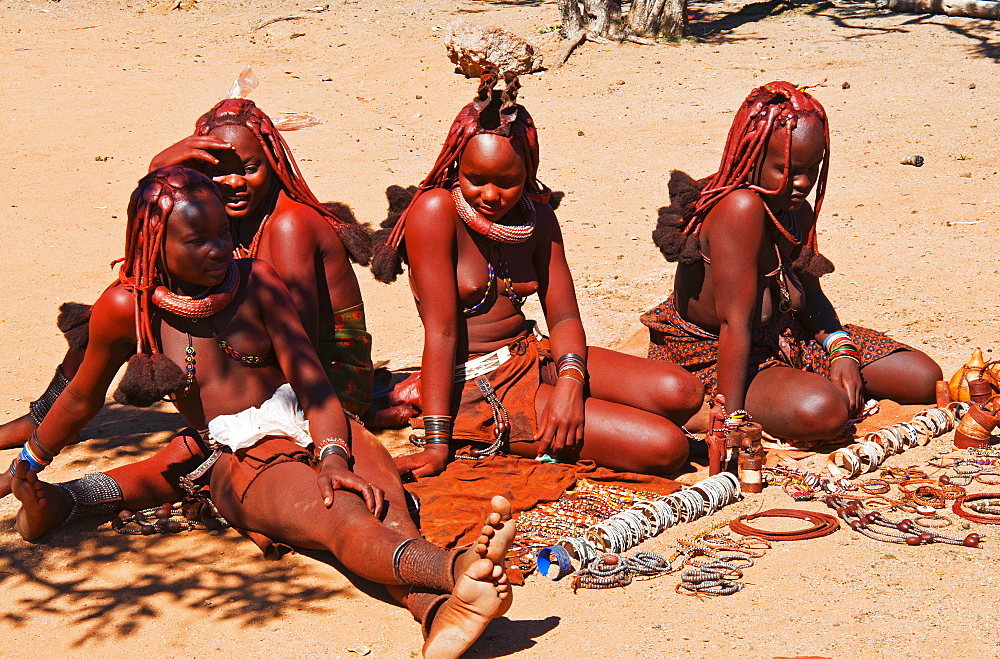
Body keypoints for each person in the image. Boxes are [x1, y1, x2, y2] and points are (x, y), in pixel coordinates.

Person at [9, 167, 515, 658]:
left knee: (388, 508)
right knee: (341, 518)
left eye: (223, 233)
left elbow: (312, 382)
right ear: (154, 245)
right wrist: (27, 465)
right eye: (197, 240)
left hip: (319, 423)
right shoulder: (128, 308)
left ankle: (436, 611)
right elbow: (80, 398)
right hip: (240, 458)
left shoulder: (257, 279)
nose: (219, 249)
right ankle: (457, 569)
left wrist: (335, 455)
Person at [0, 98, 381, 500]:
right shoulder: (227, 220)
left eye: (250, 169)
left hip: (321, 387)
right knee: (127, 303)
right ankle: (45, 423)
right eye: (218, 174)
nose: (235, 182)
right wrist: (159, 168)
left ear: (273, 164)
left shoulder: (287, 225)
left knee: (185, 452)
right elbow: (159, 217)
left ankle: (66, 493)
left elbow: (295, 355)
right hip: (269, 381)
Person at [370, 68, 704, 479]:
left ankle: (564, 407)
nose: (489, 195)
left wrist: (568, 385)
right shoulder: (435, 213)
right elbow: (441, 333)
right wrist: (439, 443)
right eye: (475, 179)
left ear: (527, 172)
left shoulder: (536, 213)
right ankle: (438, 400)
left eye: (506, 182)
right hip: (477, 383)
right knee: (665, 446)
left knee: (684, 390)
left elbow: (563, 316)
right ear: (456, 165)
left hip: (532, 354)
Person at [642, 81, 942, 444]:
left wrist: (840, 349)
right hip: (718, 357)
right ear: (752, 159)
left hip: (786, 336)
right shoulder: (740, 209)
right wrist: (729, 423)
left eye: (812, 170)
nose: (802, 183)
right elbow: (733, 323)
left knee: (924, 377)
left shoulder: (791, 208)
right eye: (786, 169)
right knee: (824, 410)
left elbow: (810, 296)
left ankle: (803, 382)